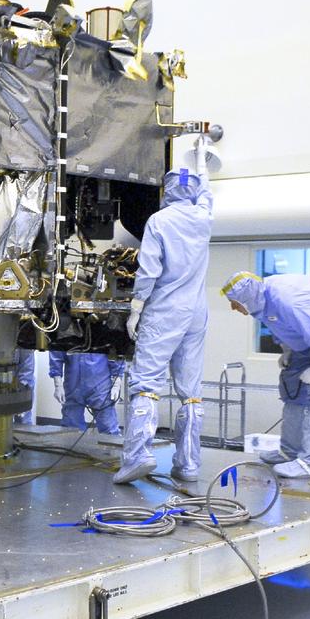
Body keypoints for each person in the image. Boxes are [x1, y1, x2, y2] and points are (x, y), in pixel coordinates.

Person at [116, 169, 213, 484]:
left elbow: (148, 270)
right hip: (196, 312)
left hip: (166, 310)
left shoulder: (159, 221)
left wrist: (135, 309)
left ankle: (138, 456)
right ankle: (188, 464)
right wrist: (202, 166)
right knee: (191, 392)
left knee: (146, 383)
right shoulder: (203, 218)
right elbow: (207, 194)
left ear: (166, 191)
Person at [221, 271, 310, 479]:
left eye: (234, 302)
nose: (233, 308)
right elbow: (282, 326)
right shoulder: (262, 301)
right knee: (292, 386)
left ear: (246, 299)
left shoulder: (290, 300)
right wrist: (287, 348)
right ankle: (289, 452)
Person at [49, 350, 125, 434]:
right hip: (73, 385)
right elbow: (56, 352)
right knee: (71, 430)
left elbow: (115, 351)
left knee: (109, 428)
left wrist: (117, 383)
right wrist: (57, 384)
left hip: (100, 386)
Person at [13, 348, 37, 426]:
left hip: (21, 384)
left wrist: (22, 388)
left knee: (24, 419)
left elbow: (27, 368)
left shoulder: (24, 342)